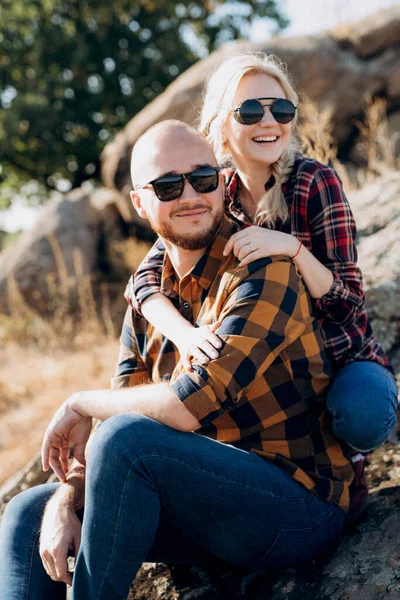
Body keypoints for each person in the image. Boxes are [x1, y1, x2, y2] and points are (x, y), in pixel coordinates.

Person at [0, 120, 353, 600]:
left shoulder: (263, 269)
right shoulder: (148, 300)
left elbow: (186, 408)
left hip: (296, 505)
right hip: (201, 503)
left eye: (203, 179)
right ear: (141, 203)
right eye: (168, 186)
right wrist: (67, 497)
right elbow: (120, 409)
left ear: (224, 183)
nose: (190, 195)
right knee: (28, 511)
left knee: (131, 439)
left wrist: (82, 402)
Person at [125, 53, 398, 514]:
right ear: (222, 126)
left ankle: (348, 467)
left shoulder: (314, 181)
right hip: (271, 364)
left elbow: (348, 303)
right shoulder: (210, 189)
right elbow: (144, 280)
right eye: (250, 112)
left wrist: (291, 248)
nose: (268, 121)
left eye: (281, 109)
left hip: (340, 355)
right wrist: (185, 335)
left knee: (362, 416)